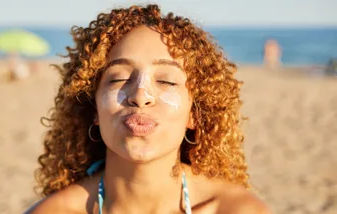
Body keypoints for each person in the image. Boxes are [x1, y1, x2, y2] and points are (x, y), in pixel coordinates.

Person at [26, 4, 272, 214]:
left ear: (195, 114)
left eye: (165, 80)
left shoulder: (236, 210)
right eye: (119, 79)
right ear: (93, 108)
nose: (140, 96)